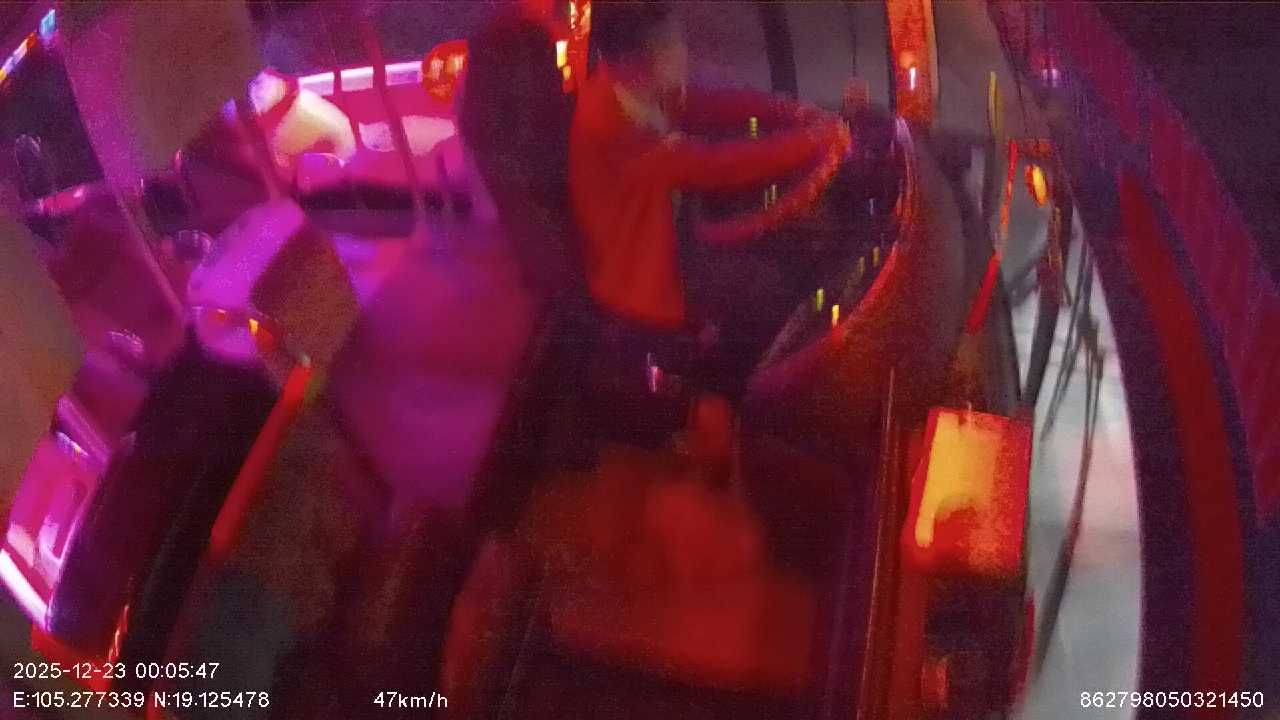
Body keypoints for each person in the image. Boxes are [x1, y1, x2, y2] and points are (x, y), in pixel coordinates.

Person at [570, 0, 851, 465]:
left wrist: (789, 111)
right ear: (636, 61)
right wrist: (813, 140)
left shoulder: (633, 89)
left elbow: (703, 107)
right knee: (770, 289)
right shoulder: (610, 124)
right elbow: (718, 168)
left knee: (773, 258)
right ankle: (726, 409)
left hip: (668, 238)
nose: (684, 52)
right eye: (671, 45)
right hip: (642, 277)